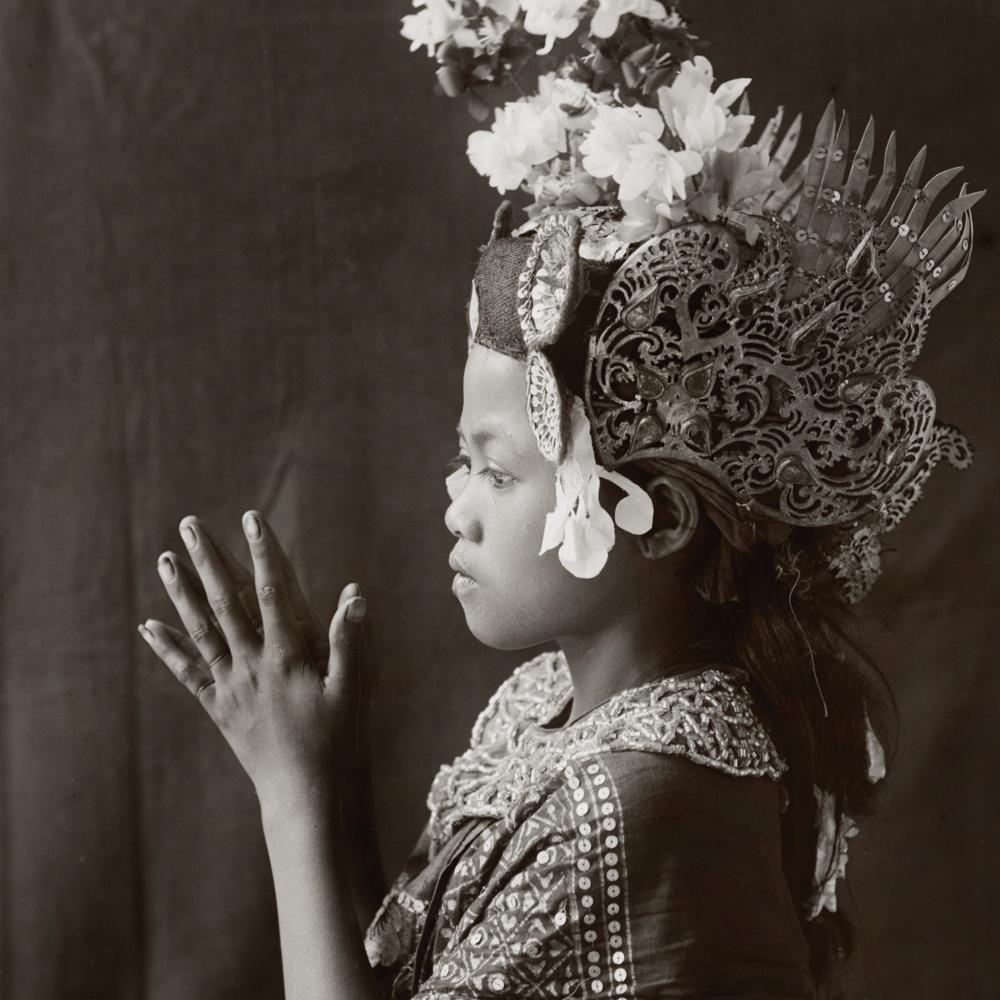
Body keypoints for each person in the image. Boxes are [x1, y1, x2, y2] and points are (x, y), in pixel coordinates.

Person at [138, 5, 979, 998]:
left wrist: (293, 791)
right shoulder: (552, 706)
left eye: (497, 471)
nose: (457, 506)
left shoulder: (635, 795)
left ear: (656, 514)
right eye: (465, 461)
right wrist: (321, 767)